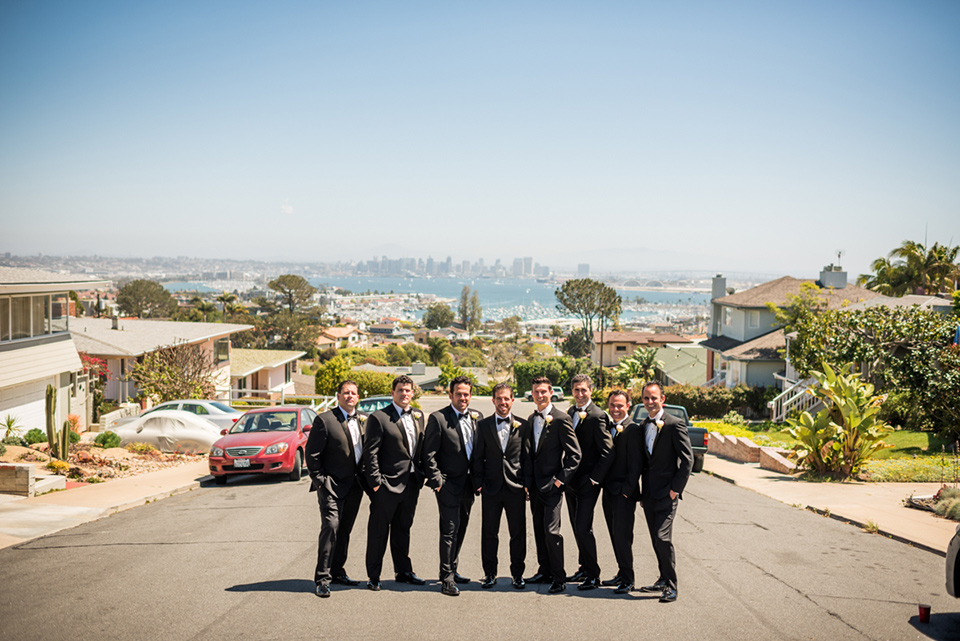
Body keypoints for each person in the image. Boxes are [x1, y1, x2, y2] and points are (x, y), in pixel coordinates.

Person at [362, 375, 427, 591]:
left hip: (411, 483)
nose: (404, 394)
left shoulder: (418, 416)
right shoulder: (379, 418)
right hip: (386, 486)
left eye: (408, 390)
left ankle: (403, 571)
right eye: (400, 390)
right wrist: (376, 484)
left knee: (403, 529)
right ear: (393, 393)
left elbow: (420, 449)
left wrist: (422, 475)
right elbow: (370, 453)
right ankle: (374, 576)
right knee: (378, 531)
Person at [422, 375, 483, 596]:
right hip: (447, 485)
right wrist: (438, 482)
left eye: (466, 394)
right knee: (449, 530)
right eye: (458, 394)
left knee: (462, 528)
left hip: (470, 486)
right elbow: (428, 454)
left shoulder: (478, 417)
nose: (463, 398)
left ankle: (453, 569)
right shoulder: (438, 419)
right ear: (450, 395)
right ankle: (446, 578)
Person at [305, 380, 367, 597]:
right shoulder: (325, 420)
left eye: (354, 393)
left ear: (358, 397)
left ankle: (338, 571)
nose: (350, 396)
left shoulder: (362, 419)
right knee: (331, 527)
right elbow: (312, 454)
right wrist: (320, 480)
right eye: (346, 393)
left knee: (345, 530)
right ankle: (322, 578)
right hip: (331, 485)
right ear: (338, 396)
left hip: (355, 486)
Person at [523, 376, 581, 594]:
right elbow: (530, 454)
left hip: (553, 486)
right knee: (538, 530)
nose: (540, 395)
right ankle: (544, 570)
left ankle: (559, 576)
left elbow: (575, 455)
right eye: (536, 392)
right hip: (535, 487)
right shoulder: (531, 419)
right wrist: (528, 483)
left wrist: (560, 479)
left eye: (543, 392)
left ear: (551, 393)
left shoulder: (560, 418)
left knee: (551, 531)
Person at [638, 381, 693, 603]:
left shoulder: (674, 424)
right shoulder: (643, 425)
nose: (650, 402)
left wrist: (675, 490)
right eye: (646, 398)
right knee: (655, 538)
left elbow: (687, 460)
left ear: (663, 399)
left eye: (654, 398)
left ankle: (671, 585)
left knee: (663, 538)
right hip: (648, 494)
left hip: (667, 494)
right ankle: (662, 578)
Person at [472, 383, 529, 591]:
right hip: (491, 488)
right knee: (489, 532)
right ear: (493, 400)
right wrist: (478, 483)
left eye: (506, 398)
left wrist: (527, 484)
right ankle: (489, 573)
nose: (503, 402)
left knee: (518, 533)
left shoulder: (523, 426)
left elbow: (526, 458)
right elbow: (477, 456)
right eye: (499, 398)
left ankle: (518, 574)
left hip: (515, 487)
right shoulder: (483, 426)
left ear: (512, 400)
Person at [564, 374, 614, 590]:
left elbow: (607, 451)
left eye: (584, 390)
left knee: (584, 527)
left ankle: (593, 574)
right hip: (570, 482)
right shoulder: (571, 413)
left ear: (591, 391)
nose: (580, 394)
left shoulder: (597, 416)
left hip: (588, 483)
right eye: (576, 390)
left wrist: (595, 479)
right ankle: (584, 567)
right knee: (576, 527)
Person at [600, 389, 643, 594]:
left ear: (628, 406)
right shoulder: (609, 427)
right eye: (612, 405)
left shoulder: (633, 430)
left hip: (624, 493)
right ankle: (620, 572)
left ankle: (628, 578)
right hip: (609, 490)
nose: (615, 409)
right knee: (614, 534)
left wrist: (627, 491)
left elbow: (636, 464)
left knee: (623, 536)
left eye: (619, 405)